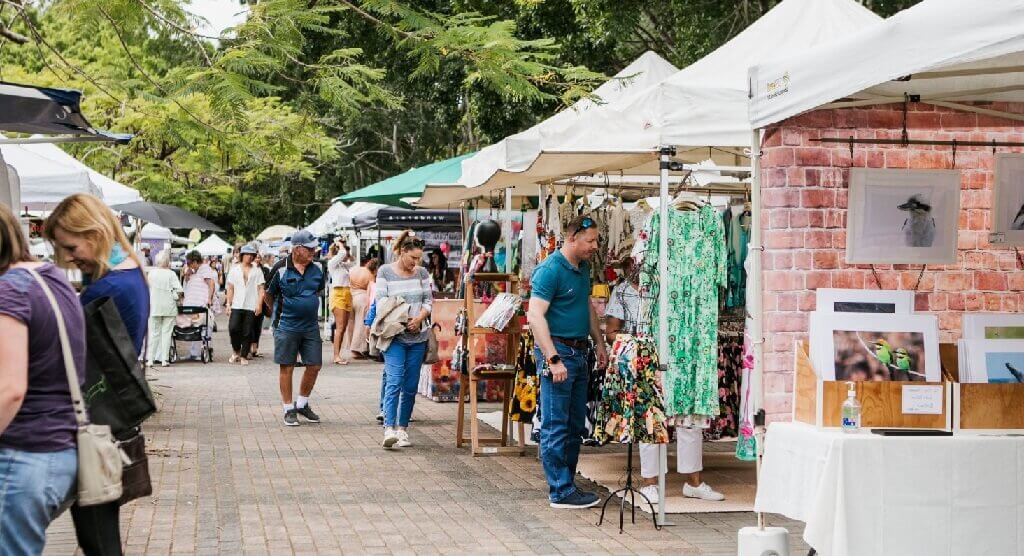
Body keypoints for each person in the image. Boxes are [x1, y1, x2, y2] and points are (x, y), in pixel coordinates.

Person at [44, 192, 152, 556]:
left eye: (71, 247)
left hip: (94, 420)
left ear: (94, 232)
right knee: (100, 536)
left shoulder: (107, 288)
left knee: (99, 540)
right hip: (106, 418)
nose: (69, 258)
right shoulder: (128, 273)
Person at [603, 258, 725, 505]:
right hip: (645, 359)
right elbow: (611, 330)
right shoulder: (623, 291)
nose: (639, 268)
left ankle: (694, 481)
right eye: (634, 264)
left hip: (679, 356)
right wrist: (634, 346)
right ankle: (650, 482)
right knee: (650, 418)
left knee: (689, 416)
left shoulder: (672, 287)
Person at [0, 205, 86, 555]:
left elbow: (10, 389)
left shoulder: (9, 291)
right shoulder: (51, 279)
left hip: (25, 455)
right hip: (59, 450)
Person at [527, 214, 608, 509]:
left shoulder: (583, 268)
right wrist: (553, 359)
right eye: (590, 241)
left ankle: (567, 482)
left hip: (580, 352)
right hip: (560, 352)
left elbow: (586, 306)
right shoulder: (549, 270)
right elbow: (535, 316)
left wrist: (599, 343)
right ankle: (559, 490)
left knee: (575, 423)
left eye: (596, 240)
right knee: (556, 423)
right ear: (572, 238)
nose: (595, 246)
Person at [376, 230, 432, 449]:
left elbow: (429, 300)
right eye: (413, 258)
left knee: (410, 385)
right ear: (401, 253)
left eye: (419, 258)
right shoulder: (385, 272)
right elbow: (381, 302)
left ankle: (403, 429)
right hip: (394, 336)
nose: (416, 263)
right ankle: (389, 428)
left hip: (418, 336)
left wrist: (419, 318)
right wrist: (403, 317)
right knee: (394, 380)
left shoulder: (422, 273)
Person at [266, 230, 326, 427]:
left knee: (315, 364)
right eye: (309, 249)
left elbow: (317, 290)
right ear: (297, 249)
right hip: (287, 325)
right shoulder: (280, 268)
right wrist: (276, 314)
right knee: (287, 366)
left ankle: (302, 403)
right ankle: (288, 409)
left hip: (310, 326)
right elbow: (269, 294)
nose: (313, 252)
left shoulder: (317, 268)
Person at [225, 244, 265, 365]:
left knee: (248, 331)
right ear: (242, 255)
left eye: (251, 255)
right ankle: (236, 350)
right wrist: (228, 304)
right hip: (237, 304)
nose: (249, 257)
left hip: (250, 304)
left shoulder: (257, 271)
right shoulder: (234, 270)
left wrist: (259, 305)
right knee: (233, 328)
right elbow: (230, 288)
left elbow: (261, 289)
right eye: (246, 254)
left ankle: (243, 355)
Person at [147, 251, 183, 367]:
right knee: (166, 333)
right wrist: (175, 296)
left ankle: (150, 360)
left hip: (154, 306)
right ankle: (164, 360)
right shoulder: (171, 274)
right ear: (168, 262)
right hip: (169, 306)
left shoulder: (152, 274)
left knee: (154, 333)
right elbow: (179, 290)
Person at [180, 250, 217, 360]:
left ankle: (200, 351)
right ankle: (193, 352)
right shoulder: (194, 271)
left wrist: (209, 299)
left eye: (189, 263)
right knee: (194, 327)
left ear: (195, 262)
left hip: (201, 303)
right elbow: (187, 282)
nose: (188, 265)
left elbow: (211, 284)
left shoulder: (204, 269)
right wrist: (187, 274)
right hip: (192, 303)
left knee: (202, 326)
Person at [327, 239, 355, 365]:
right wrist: (339, 243)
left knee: (343, 327)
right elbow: (343, 253)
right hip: (338, 294)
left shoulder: (343, 266)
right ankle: (336, 356)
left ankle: (338, 354)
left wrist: (347, 253)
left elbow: (353, 261)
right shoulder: (332, 263)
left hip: (347, 294)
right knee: (340, 327)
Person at [348, 257, 379, 359]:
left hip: (350, 296)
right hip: (362, 299)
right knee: (360, 324)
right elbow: (371, 291)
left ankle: (350, 346)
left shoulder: (355, 269)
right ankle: (357, 349)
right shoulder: (371, 276)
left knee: (351, 323)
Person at [249, 250, 274, 358]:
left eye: (259, 258)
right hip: (249, 301)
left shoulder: (265, 270)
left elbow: (268, 285)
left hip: (261, 300)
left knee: (257, 326)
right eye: (256, 258)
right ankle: (248, 347)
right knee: (249, 325)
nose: (258, 259)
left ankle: (255, 348)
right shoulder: (248, 270)